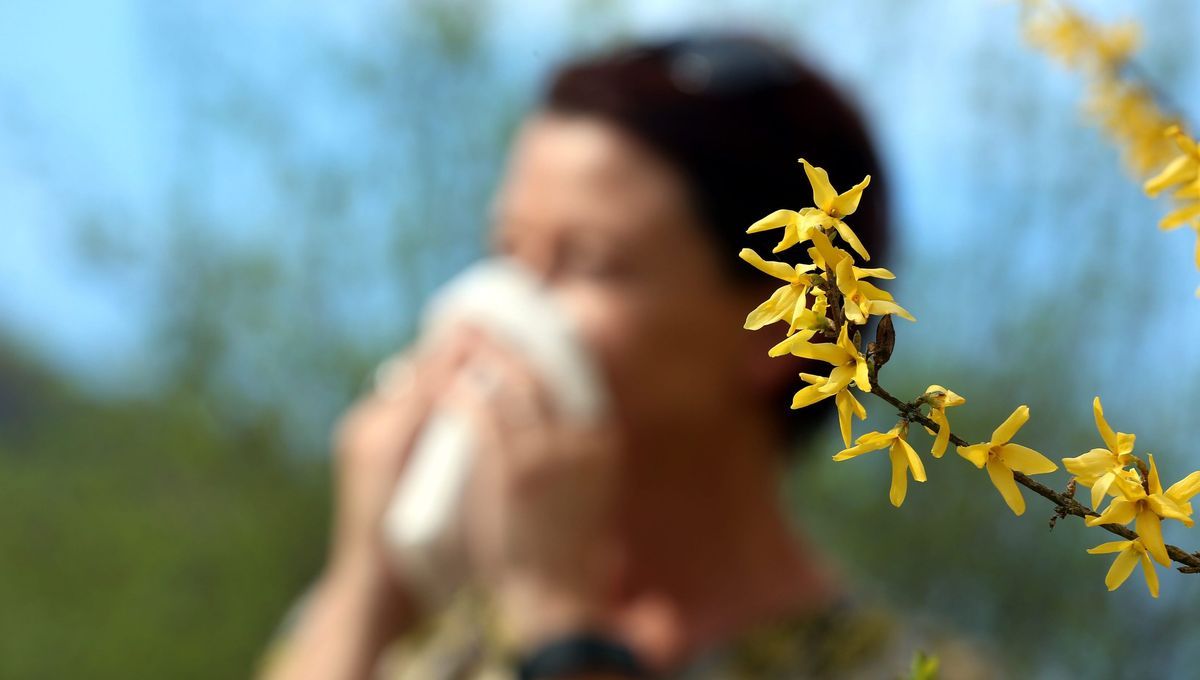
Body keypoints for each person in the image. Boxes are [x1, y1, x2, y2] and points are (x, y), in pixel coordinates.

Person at [264, 35, 992, 680]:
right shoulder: (425, 638)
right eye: (509, 252)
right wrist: (367, 585)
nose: (509, 307)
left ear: (781, 329)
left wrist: (561, 629)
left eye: (588, 264)